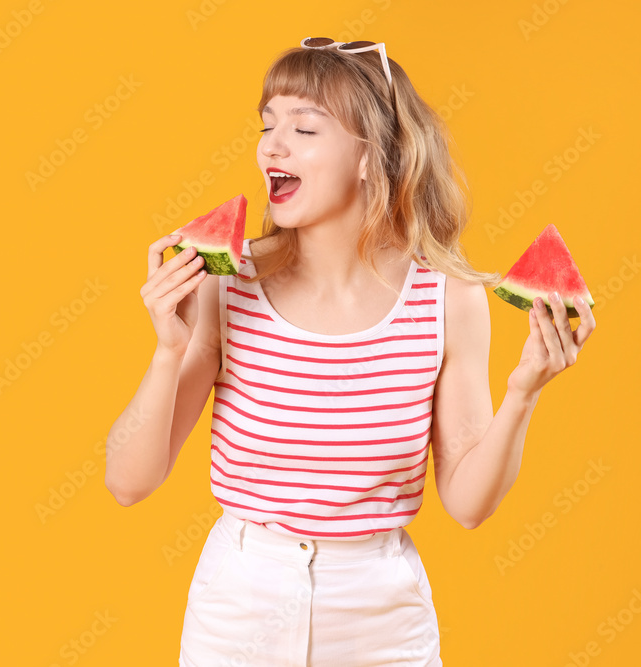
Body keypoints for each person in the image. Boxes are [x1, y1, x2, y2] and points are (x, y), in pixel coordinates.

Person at [104, 37, 596, 667]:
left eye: (305, 127)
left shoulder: (448, 301)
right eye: (268, 125)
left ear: (372, 157)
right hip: (239, 608)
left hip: (381, 618)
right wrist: (168, 352)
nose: (272, 146)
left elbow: (468, 506)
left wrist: (524, 391)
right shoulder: (229, 285)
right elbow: (126, 483)